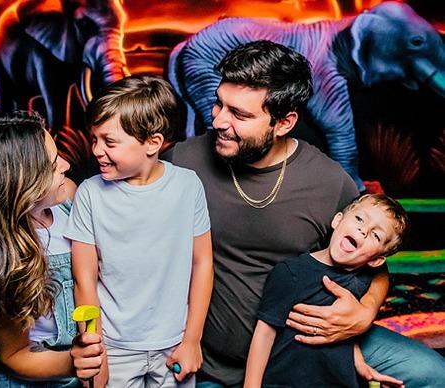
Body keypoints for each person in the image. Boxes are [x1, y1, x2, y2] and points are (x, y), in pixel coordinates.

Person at [163, 40, 445, 387]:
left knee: (433, 373)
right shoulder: (184, 161)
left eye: (239, 114)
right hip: (214, 362)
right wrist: (71, 184)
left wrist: (364, 311)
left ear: (284, 122)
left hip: (308, 344)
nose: (219, 121)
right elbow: (106, 189)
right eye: (218, 103)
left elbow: (375, 264)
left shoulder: (328, 181)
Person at [64, 75, 213, 387]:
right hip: (113, 348)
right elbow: (84, 279)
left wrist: (192, 340)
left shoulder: (188, 186)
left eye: (110, 141)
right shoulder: (89, 194)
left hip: (174, 345)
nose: (97, 150)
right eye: (94, 139)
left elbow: (202, 264)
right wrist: (96, 352)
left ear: (153, 143)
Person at [0, 111, 104, 387]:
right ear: (18, 186)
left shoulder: (70, 198)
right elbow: (15, 354)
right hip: (46, 376)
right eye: (52, 165)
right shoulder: (3, 261)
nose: (65, 164)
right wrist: (72, 361)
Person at [244, 194, 408, 388]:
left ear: (376, 260)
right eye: (359, 218)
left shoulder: (362, 282)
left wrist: (361, 365)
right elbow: (264, 335)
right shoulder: (290, 273)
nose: (363, 230)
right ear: (338, 220)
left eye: (376, 235)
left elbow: (346, 332)